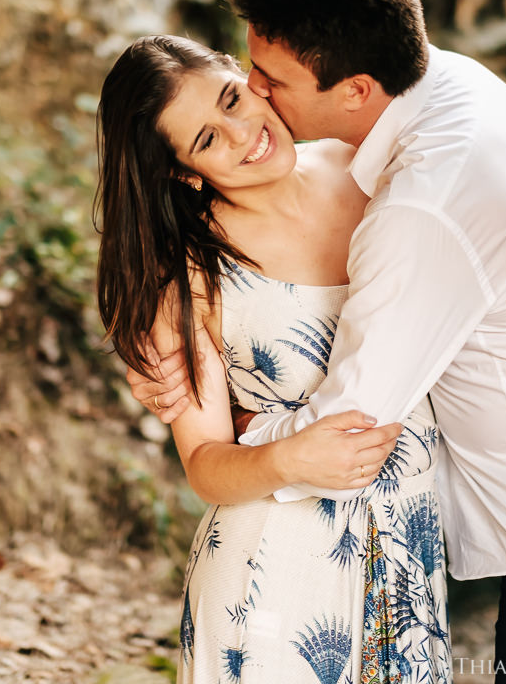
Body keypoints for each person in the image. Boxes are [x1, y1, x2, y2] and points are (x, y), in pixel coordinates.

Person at [128, 0, 506, 683]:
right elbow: (500, 253)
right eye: (213, 127)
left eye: (256, 83)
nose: (256, 107)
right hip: (285, 571)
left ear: (355, 87)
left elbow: (357, 414)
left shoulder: (401, 197)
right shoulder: (445, 90)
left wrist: (251, 437)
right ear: (183, 170)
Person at [95, 35, 455, 683]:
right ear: (182, 171)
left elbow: (474, 283)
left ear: (247, 75)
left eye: (232, 100)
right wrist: (290, 456)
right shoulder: (192, 275)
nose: (242, 133)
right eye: (206, 140)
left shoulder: (369, 166)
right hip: (271, 581)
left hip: (408, 552)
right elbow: (205, 467)